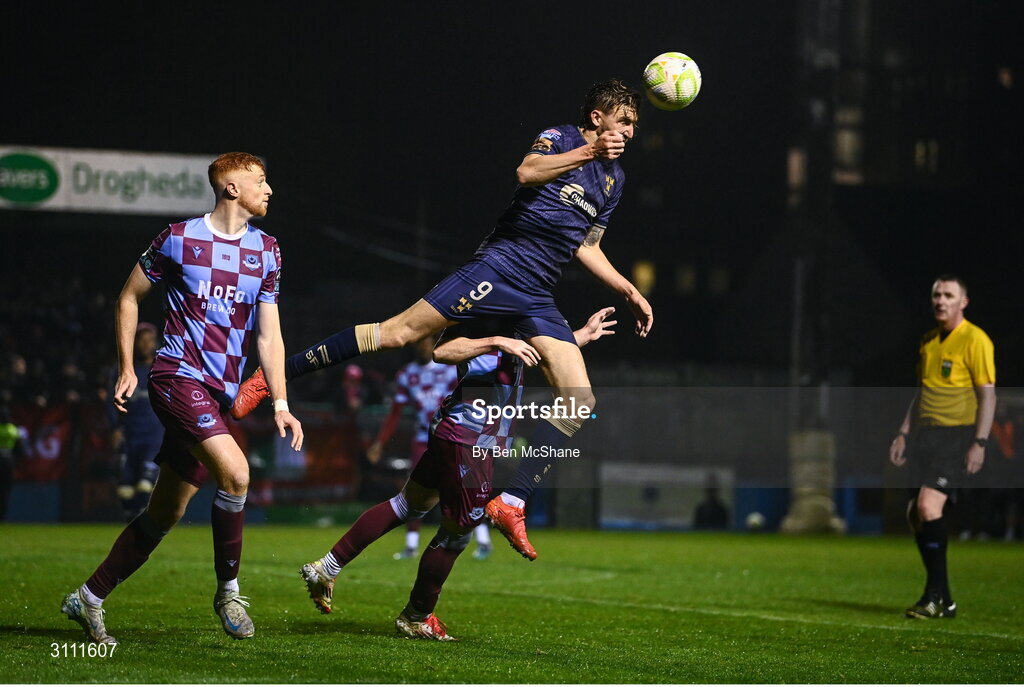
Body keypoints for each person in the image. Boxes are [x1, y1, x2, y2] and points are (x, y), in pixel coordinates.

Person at [232, 80, 652, 559]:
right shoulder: (559, 139)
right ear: (597, 118)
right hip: (500, 267)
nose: (630, 132)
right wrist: (588, 152)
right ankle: (275, 377)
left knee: (579, 400)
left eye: (635, 125)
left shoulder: (615, 181)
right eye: (623, 121)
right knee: (397, 334)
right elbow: (527, 171)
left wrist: (630, 290)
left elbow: (588, 246)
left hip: (537, 294)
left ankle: (512, 501)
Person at [60, 152, 303, 645]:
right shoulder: (178, 238)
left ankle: (88, 598)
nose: (269, 189)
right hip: (176, 377)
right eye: (260, 180)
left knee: (164, 512)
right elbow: (128, 296)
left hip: (218, 395)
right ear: (231, 188)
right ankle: (228, 592)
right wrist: (128, 366)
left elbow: (269, 337)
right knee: (236, 474)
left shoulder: (269, 251)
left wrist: (280, 401)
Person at [299, 308, 616, 640]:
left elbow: (537, 353)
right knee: (458, 533)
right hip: (468, 437)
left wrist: (581, 335)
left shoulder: (516, 318)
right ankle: (416, 617)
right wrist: (497, 341)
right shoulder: (485, 312)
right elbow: (443, 350)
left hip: (457, 430)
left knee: (408, 505)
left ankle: (326, 568)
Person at [889, 275, 995, 619]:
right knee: (914, 516)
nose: (940, 300)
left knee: (928, 505)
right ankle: (944, 597)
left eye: (948, 295)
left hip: (957, 435)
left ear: (963, 302)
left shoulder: (976, 340)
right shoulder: (928, 342)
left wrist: (979, 441)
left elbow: (987, 395)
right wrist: (904, 433)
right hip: (925, 437)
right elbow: (921, 393)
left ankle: (933, 596)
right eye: (936, 294)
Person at [366, 338, 473, 560]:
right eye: (418, 343)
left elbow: (470, 400)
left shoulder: (451, 368)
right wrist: (380, 443)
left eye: (426, 342)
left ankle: (479, 540)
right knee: (414, 491)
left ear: (434, 343)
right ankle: (411, 545)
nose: (421, 347)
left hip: (452, 437)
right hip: (423, 438)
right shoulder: (406, 374)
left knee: (460, 488)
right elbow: (395, 412)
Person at [108, 323, 165, 520]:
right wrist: (115, 428)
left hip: (154, 436)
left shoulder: (161, 369)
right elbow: (111, 400)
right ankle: (130, 522)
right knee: (124, 489)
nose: (146, 344)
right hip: (130, 435)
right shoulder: (124, 371)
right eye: (141, 339)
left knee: (145, 484)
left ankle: (141, 525)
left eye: (150, 340)